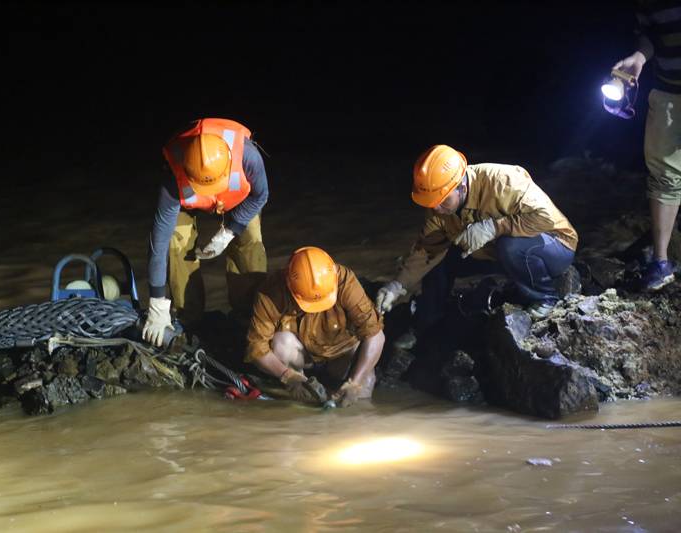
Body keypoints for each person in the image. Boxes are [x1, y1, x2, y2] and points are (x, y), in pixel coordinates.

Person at [375, 144, 579, 327]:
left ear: (461, 187)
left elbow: (546, 219)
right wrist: (398, 284)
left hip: (553, 246)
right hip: (499, 256)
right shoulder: (438, 207)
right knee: (439, 259)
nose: (436, 207)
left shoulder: (502, 180)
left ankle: (546, 297)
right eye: (431, 201)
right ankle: (429, 320)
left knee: (510, 245)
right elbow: (427, 249)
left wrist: (493, 227)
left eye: (443, 200)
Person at [142, 118, 269, 347]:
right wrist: (156, 303)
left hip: (238, 200)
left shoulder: (248, 157)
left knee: (251, 239)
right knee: (175, 243)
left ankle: (249, 315)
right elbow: (158, 245)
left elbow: (260, 195)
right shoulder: (173, 179)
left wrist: (231, 230)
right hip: (188, 201)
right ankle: (187, 317)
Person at [244, 246, 385, 407]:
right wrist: (287, 376)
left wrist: (355, 383)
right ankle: (301, 394)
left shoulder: (344, 280)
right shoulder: (272, 290)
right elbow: (256, 348)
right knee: (282, 342)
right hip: (302, 355)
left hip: (342, 353)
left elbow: (375, 334)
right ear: (289, 284)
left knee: (364, 385)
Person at [610, 1, 681, 291]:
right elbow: (650, 32)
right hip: (668, 89)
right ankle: (660, 264)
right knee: (664, 174)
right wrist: (639, 56)